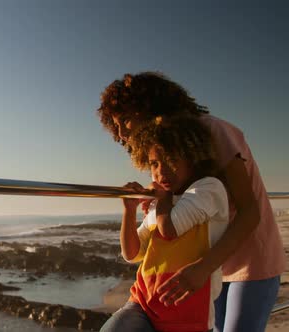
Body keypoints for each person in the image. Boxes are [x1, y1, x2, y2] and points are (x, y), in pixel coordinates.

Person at [97, 72, 285, 332]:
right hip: (211, 261)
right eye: (114, 126)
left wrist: (202, 268)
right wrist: (154, 190)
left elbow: (250, 212)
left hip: (249, 258)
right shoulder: (165, 148)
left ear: (148, 106)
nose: (120, 134)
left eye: (125, 120)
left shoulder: (212, 131)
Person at [100, 117, 229, 332]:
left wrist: (161, 197)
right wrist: (129, 211)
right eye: (154, 163)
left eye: (171, 160)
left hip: (188, 313)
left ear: (191, 157)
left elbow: (169, 230)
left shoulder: (208, 188)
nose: (161, 172)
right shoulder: (161, 203)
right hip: (142, 303)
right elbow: (131, 253)